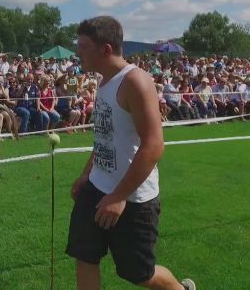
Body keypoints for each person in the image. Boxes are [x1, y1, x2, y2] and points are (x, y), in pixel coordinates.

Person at [67, 16, 195, 290]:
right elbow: (105, 137)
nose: (78, 52)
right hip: (97, 187)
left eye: (84, 46)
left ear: (106, 49)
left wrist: (119, 196)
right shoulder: (103, 82)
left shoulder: (135, 81)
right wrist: (86, 174)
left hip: (133, 197)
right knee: (84, 255)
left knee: (138, 273)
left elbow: (154, 144)